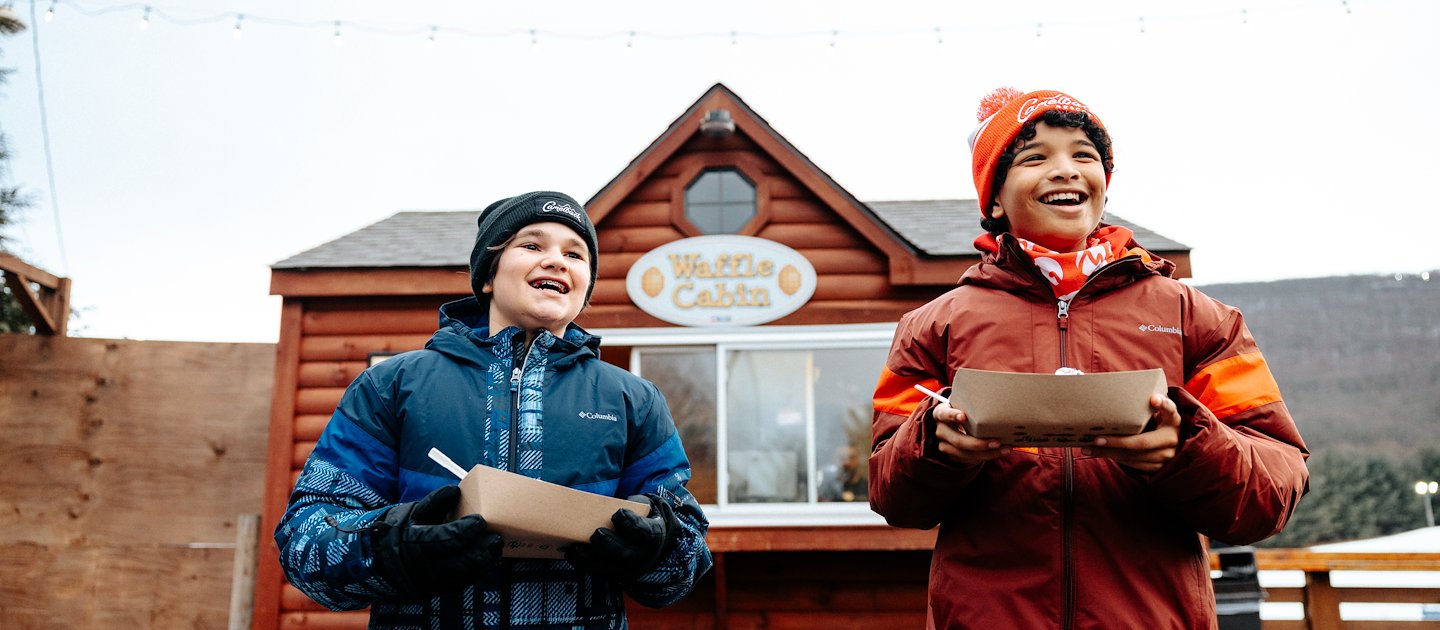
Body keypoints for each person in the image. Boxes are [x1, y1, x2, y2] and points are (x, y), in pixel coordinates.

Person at [869, 88, 1309, 629]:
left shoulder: (1199, 318)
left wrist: (1186, 448)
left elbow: (1275, 489)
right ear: (995, 200)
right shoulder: (932, 326)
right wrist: (936, 446)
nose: (1065, 170)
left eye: (1083, 155)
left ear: (1104, 184)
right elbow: (890, 494)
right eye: (1034, 157)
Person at [275, 191, 713, 629]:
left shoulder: (633, 400)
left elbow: (686, 561)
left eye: (575, 254)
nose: (557, 261)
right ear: (488, 276)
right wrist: (391, 546)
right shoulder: (391, 386)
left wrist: (660, 547)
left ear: (585, 290)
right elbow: (304, 539)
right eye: (532, 245)